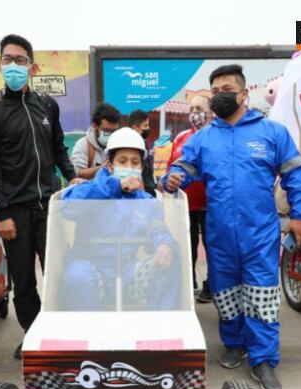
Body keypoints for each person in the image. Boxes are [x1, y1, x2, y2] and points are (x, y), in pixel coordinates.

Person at [164, 64, 301, 389]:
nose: (220, 96)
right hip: (219, 235)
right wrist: (172, 177)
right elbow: (182, 167)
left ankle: (263, 360)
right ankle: (233, 343)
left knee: (262, 296)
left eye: (227, 89)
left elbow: (296, 174)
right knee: (225, 294)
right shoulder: (203, 139)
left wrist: (300, 215)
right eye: (214, 91)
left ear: (245, 94)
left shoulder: (272, 133)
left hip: (260, 233)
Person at [0, 34, 77, 358]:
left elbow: (59, 147)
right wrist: (0, 212)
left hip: (49, 206)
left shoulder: (47, 105)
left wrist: (73, 178)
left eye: (20, 60)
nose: (14, 65)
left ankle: (62, 334)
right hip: (14, 212)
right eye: (8, 59)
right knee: (24, 280)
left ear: (32, 66)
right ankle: (34, 336)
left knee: (59, 273)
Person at [59, 128, 179, 311]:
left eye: (135, 162)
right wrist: (115, 185)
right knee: (77, 275)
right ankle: (87, 334)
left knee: (169, 260)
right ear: (110, 165)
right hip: (92, 271)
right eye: (122, 161)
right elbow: (67, 206)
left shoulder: (146, 201)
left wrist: (165, 245)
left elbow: (159, 230)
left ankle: (158, 330)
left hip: (127, 275)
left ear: (141, 167)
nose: (129, 167)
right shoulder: (93, 190)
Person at [167, 95, 213, 303]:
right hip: (186, 202)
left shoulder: (216, 136)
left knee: (212, 246)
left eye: (199, 108)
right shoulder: (181, 137)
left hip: (211, 204)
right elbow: (172, 166)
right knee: (188, 244)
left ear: (210, 111)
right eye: (192, 108)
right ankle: (189, 282)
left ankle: (212, 285)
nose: (195, 112)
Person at [71, 103, 121, 180]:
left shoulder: (120, 145)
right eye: (106, 131)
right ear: (95, 126)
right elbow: (78, 173)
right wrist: (102, 168)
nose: (111, 135)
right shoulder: (83, 145)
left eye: (114, 131)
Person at [127, 109, 156, 195]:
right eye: (145, 125)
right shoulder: (129, 146)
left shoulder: (143, 142)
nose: (148, 128)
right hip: (140, 194)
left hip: (149, 192)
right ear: (135, 127)